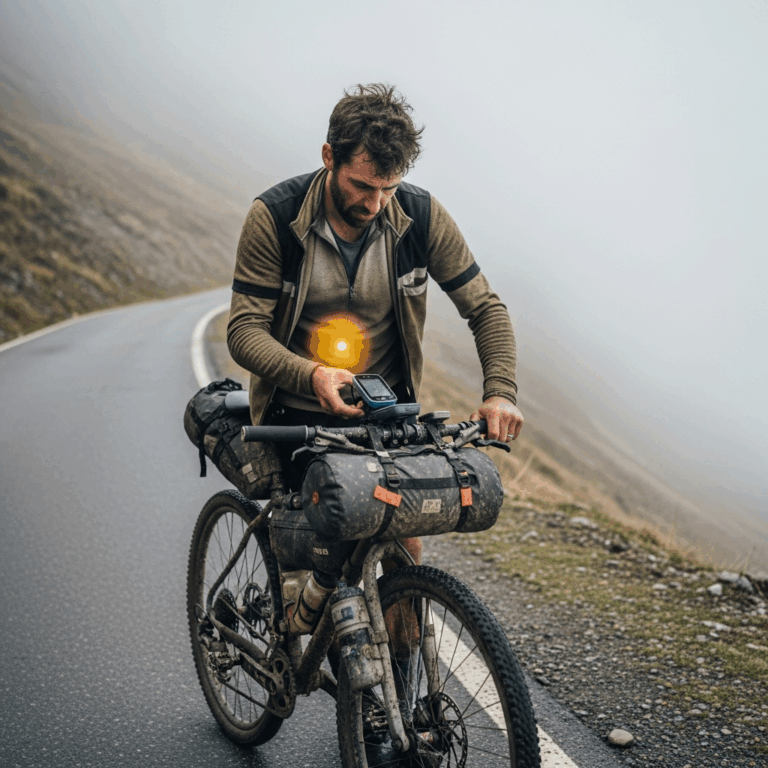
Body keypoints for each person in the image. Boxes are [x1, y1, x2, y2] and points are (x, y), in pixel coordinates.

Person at [227, 83, 523, 565]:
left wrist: (501, 392)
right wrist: (313, 376)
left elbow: (485, 308)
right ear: (329, 156)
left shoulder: (421, 215)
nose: (375, 204)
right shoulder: (275, 217)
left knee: (404, 548)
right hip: (295, 413)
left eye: (389, 187)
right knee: (317, 557)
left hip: (387, 416)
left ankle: (404, 643)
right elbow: (244, 332)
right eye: (362, 186)